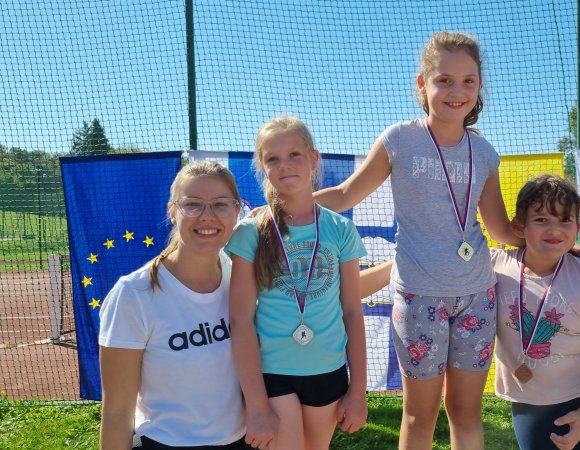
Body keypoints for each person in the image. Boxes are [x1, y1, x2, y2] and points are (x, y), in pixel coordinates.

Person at [314, 31, 521, 450]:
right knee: (418, 415)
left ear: (479, 87)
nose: (456, 91)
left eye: (468, 81)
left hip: (477, 298)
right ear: (422, 84)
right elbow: (346, 195)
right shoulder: (399, 140)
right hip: (418, 298)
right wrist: (281, 209)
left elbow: (500, 230)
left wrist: (556, 239)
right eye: (444, 80)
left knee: (465, 413)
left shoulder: (484, 153)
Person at [227, 116, 368, 450]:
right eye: (273, 158)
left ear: (313, 159)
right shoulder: (250, 232)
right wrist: (257, 404)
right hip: (273, 371)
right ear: (262, 167)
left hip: (328, 370)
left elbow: (351, 310)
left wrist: (358, 391)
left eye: (294, 155)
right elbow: (240, 320)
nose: (285, 165)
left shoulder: (340, 229)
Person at [98, 160, 250, 449]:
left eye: (220, 205)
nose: (207, 216)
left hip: (242, 441)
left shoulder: (240, 277)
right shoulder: (133, 294)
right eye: (192, 205)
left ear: (236, 212)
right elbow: (117, 414)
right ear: (172, 211)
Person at [493, 174, 580, 450]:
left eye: (565, 220)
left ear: (577, 227)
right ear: (519, 226)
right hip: (529, 408)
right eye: (541, 219)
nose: (555, 229)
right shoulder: (493, 267)